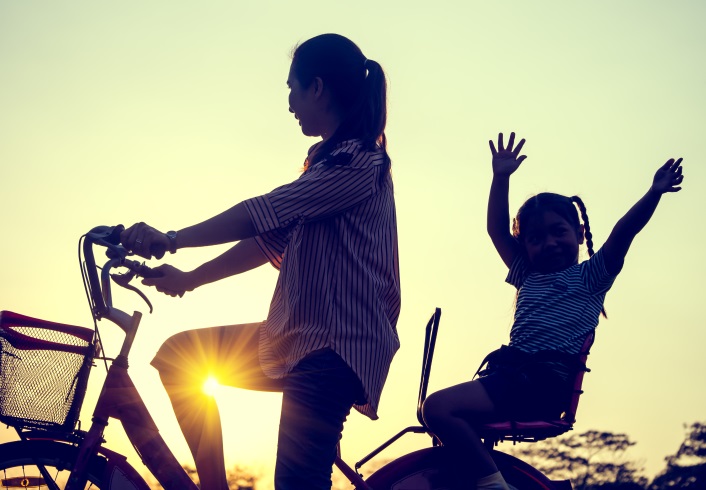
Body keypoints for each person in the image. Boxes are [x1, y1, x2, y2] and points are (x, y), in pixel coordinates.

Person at [119, 33, 400, 490]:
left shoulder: (358, 164)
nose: (289, 102)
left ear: (318, 88)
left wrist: (172, 239)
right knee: (179, 357)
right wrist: (189, 279)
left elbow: (262, 211)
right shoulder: (327, 164)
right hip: (297, 339)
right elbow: (268, 240)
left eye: (292, 87)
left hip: (331, 350)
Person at [421, 132, 685, 490]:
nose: (549, 243)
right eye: (535, 238)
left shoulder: (592, 276)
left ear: (578, 233)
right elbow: (496, 230)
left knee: (436, 409)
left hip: (539, 385)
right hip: (512, 380)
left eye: (558, 232)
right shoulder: (526, 274)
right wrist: (501, 177)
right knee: (438, 423)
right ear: (525, 247)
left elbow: (625, 232)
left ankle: (494, 487)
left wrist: (654, 193)